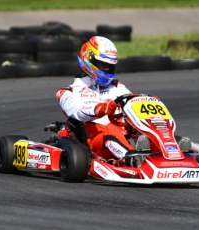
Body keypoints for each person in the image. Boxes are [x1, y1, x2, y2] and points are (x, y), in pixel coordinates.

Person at [56, 36, 148, 165]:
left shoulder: (116, 87)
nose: (106, 69)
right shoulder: (67, 92)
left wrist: (145, 102)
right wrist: (100, 109)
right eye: (103, 64)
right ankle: (134, 160)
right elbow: (76, 111)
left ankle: (173, 153)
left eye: (110, 66)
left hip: (123, 135)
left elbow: (132, 102)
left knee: (144, 128)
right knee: (110, 131)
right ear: (88, 59)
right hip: (94, 141)